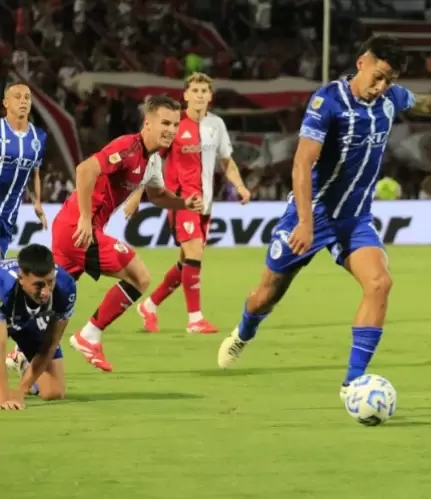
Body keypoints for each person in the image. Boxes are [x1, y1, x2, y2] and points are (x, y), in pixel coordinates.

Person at [216, 35, 431, 400]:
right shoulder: (328, 101)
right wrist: (306, 222)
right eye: (378, 76)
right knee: (266, 296)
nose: (382, 86)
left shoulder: (390, 96)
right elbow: (302, 161)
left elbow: (421, 101)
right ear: (361, 62)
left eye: (389, 80)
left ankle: (352, 385)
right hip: (312, 215)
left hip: (355, 219)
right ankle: (244, 332)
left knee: (380, 283)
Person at [50, 95, 204, 373]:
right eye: (165, 123)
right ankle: (89, 336)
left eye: (175, 124)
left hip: (73, 229)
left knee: (55, 299)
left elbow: (157, 196)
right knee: (140, 276)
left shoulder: (153, 160)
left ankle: (23, 353)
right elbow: (85, 169)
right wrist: (85, 218)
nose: (171, 129)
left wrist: (184, 203)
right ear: (148, 122)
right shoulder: (127, 146)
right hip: (78, 228)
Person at [127, 73, 251, 334]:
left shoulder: (216, 125)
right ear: (185, 95)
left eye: (204, 90)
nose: (199, 95)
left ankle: (149, 305)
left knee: (187, 262)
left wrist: (239, 186)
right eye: (194, 90)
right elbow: (148, 158)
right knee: (195, 253)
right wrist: (137, 195)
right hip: (181, 201)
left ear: (210, 96)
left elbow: (226, 161)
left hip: (206, 203)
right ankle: (195, 319)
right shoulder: (174, 124)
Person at [1, 244, 75, 410]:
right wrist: (5, 398)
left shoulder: (66, 286)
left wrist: (20, 391)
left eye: (50, 282)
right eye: (39, 285)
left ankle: (20, 358)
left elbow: (50, 343)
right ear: (21, 278)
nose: (46, 291)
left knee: (53, 392)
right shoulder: (2, 286)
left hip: (29, 323)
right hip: (4, 319)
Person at [0, 83, 48, 257]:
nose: (23, 101)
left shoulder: (39, 137)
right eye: (17, 97)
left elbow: (34, 172)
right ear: (6, 103)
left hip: (8, 215)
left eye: (27, 97)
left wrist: (37, 202)